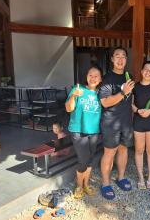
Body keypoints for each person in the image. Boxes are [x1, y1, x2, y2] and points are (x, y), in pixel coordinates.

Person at [98, 47, 135, 200]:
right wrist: (122, 92)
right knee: (109, 152)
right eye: (117, 56)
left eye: (123, 56)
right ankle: (105, 184)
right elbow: (105, 103)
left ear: (126, 59)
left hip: (126, 121)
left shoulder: (128, 77)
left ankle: (120, 177)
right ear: (112, 59)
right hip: (110, 122)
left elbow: (130, 99)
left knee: (123, 150)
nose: (120, 59)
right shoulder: (107, 79)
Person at [65, 66, 102, 199]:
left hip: (94, 131)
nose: (93, 78)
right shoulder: (78, 90)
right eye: (90, 75)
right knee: (83, 159)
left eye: (96, 76)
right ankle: (79, 186)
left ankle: (86, 184)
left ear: (100, 79)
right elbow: (69, 109)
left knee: (90, 159)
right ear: (86, 77)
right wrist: (74, 96)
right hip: (78, 130)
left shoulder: (100, 93)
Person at [132, 61, 150, 189]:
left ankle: (149, 177)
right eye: (146, 69)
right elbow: (131, 105)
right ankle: (140, 178)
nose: (148, 72)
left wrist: (149, 111)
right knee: (139, 150)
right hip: (138, 121)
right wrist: (138, 111)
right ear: (141, 71)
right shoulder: (135, 87)